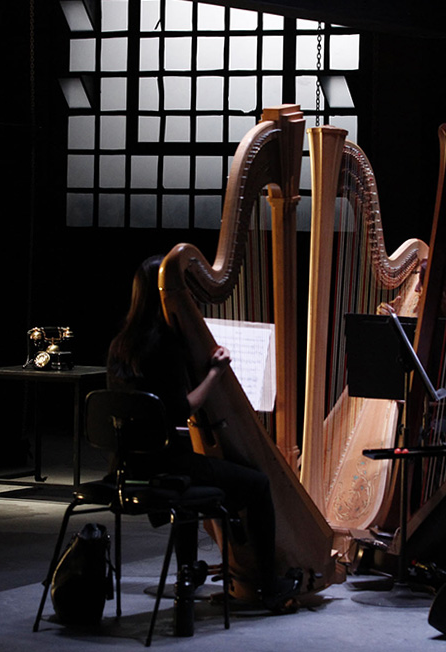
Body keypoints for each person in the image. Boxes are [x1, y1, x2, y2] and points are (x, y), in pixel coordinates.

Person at [106, 255, 301, 613]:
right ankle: (270, 586)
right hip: (163, 467)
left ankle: (187, 572)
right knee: (257, 484)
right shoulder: (162, 345)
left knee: (194, 474)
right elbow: (181, 408)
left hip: (126, 467)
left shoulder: (122, 343)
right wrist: (215, 373)